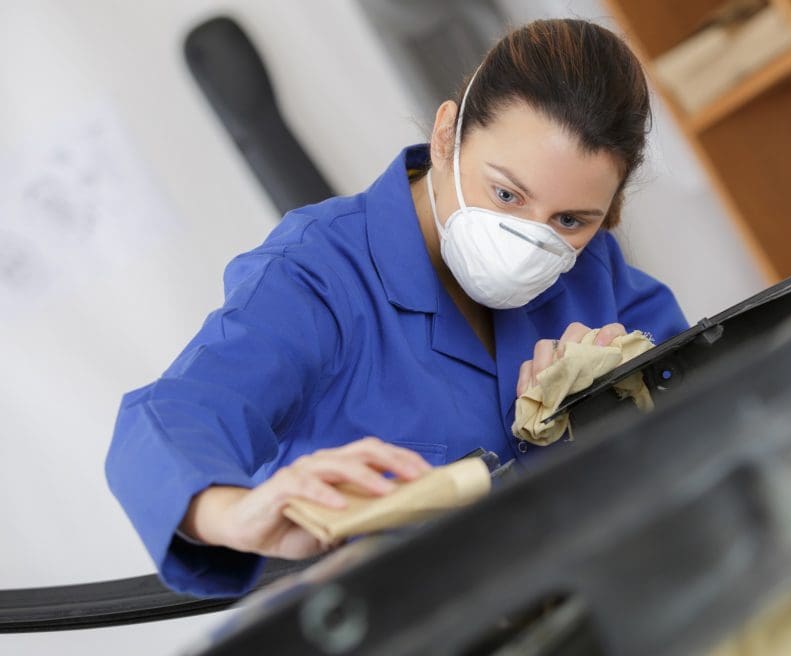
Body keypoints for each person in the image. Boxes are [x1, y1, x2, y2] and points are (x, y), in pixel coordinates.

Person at [105, 17, 689, 597]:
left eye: (571, 219)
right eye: (506, 193)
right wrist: (233, 513)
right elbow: (172, 418)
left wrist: (613, 393)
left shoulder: (590, 266)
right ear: (446, 137)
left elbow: (698, 379)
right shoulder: (316, 276)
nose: (532, 237)